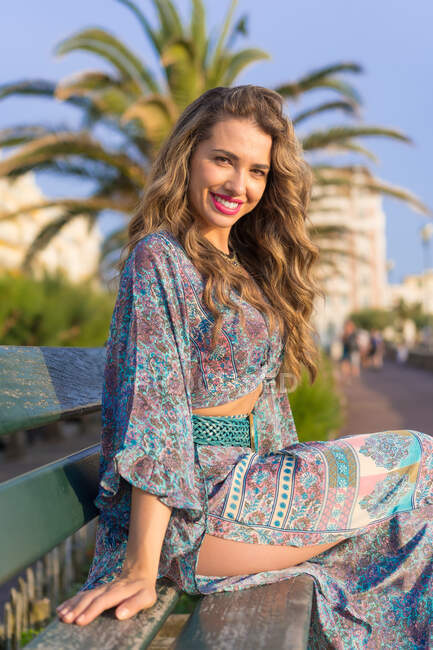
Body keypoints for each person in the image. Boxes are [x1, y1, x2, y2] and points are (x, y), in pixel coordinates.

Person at [56, 86, 433, 648]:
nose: (239, 185)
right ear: (189, 156)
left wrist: (295, 469)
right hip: (197, 512)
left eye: (257, 170)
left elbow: (268, 407)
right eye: (224, 160)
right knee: (421, 456)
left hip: (250, 489)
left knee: (418, 524)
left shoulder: (245, 270)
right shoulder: (158, 258)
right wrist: (139, 565)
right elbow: (156, 416)